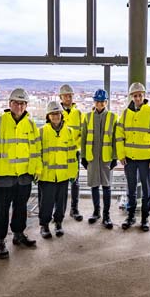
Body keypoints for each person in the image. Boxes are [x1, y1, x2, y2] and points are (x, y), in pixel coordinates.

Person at [0, 88, 41, 259]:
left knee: (21, 208)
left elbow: (36, 151)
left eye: (22, 103)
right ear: (10, 104)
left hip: (23, 177)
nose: (19, 106)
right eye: (16, 103)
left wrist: (36, 171)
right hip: (2, 177)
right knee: (1, 210)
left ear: (26, 105)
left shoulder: (30, 125)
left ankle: (18, 234)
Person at [116, 82, 150, 232]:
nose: (138, 98)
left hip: (146, 159)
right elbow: (119, 136)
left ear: (144, 95)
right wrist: (121, 155)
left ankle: (145, 218)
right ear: (131, 97)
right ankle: (130, 216)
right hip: (129, 158)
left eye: (140, 95)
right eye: (135, 95)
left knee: (147, 190)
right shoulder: (125, 114)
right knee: (131, 189)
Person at [37, 101, 78, 239]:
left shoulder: (69, 132)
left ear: (62, 115)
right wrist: (36, 171)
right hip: (46, 175)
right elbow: (36, 154)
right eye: (53, 114)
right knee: (46, 203)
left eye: (58, 113)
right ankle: (44, 225)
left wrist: (73, 174)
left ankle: (58, 223)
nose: (56, 116)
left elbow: (72, 155)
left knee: (61, 203)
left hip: (63, 175)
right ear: (48, 116)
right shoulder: (41, 132)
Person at [81, 89, 117, 229]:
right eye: (97, 101)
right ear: (94, 102)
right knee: (94, 185)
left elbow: (115, 139)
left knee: (107, 186)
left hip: (106, 158)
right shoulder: (88, 117)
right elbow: (84, 137)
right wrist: (83, 156)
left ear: (106, 102)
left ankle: (106, 215)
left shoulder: (113, 117)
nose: (100, 104)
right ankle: (96, 212)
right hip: (92, 157)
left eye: (102, 101)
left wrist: (115, 157)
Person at [59, 84, 84, 221]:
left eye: (70, 95)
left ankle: (74, 209)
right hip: (59, 152)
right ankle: (59, 210)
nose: (68, 98)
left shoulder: (78, 114)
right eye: (66, 95)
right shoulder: (56, 112)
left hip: (74, 152)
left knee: (75, 181)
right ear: (61, 97)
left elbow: (82, 133)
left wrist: (76, 146)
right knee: (60, 182)